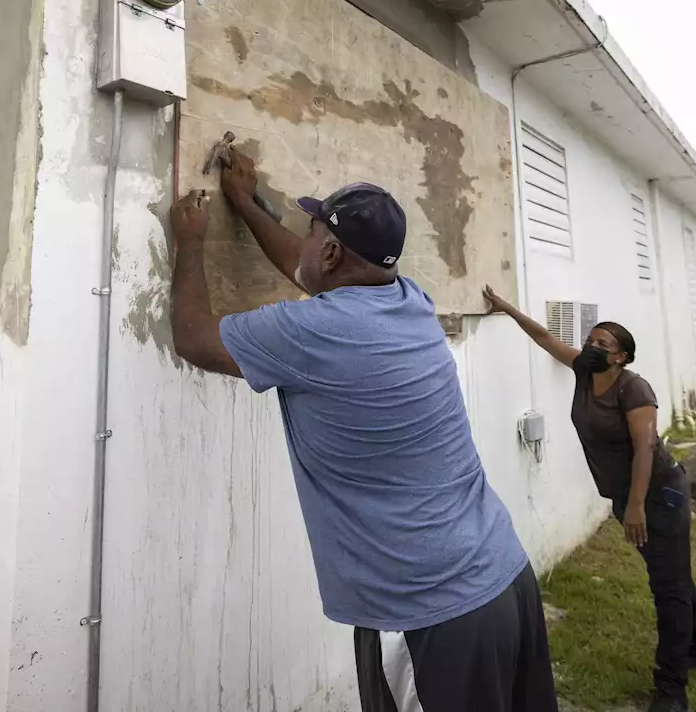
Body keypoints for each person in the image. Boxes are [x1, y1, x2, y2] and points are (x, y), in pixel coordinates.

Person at [168, 148, 559, 712]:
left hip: (435, 614)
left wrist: (191, 243)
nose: (303, 244)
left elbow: (193, 338)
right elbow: (307, 272)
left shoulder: (312, 333)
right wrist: (246, 204)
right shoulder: (409, 301)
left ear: (330, 250)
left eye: (311, 232)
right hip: (503, 576)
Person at [483, 286, 696, 712]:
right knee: (672, 577)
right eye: (590, 339)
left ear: (621, 357)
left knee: (668, 589)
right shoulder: (583, 372)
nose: (591, 347)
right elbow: (544, 337)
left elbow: (646, 446)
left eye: (602, 344)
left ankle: (671, 691)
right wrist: (505, 308)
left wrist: (634, 506)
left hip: (658, 496)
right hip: (628, 497)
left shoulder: (634, 389)